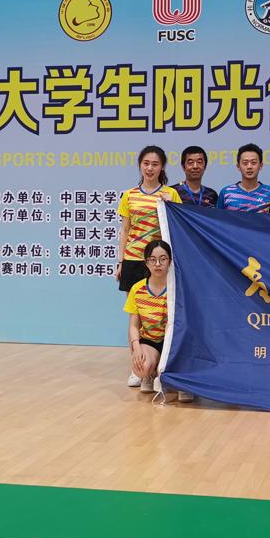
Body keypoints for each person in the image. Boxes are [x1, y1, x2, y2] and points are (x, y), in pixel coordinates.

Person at [116, 146, 182, 387]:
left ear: (162, 167)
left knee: (165, 313)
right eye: (146, 163)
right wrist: (121, 261)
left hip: (161, 261)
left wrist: (171, 205)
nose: (150, 168)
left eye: (155, 164)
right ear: (140, 165)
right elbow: (125, 230)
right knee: (138, 315)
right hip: (134, 260)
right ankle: (138, 367)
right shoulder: (129, 195)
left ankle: (164, 365)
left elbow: (178, 226)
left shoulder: (170, 194)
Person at [124, 240, 193, 403]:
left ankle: (183, 383)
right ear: (146, 262)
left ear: (170, 261)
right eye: (152, 259)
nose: (157, 264)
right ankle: (149, 374)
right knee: (141, 367)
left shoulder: (178, 288)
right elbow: (133, 325)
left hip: (175, 342)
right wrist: (136, 348)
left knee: (175, 364)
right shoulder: (137, 289)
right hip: (150, 341)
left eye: (163, 259)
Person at [217, 143, 270, 213]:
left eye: (253, 163)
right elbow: (218, 219)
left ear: (261, 166)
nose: (249, 167)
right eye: (245, 163)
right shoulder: (226, 192)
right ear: (238, 166)